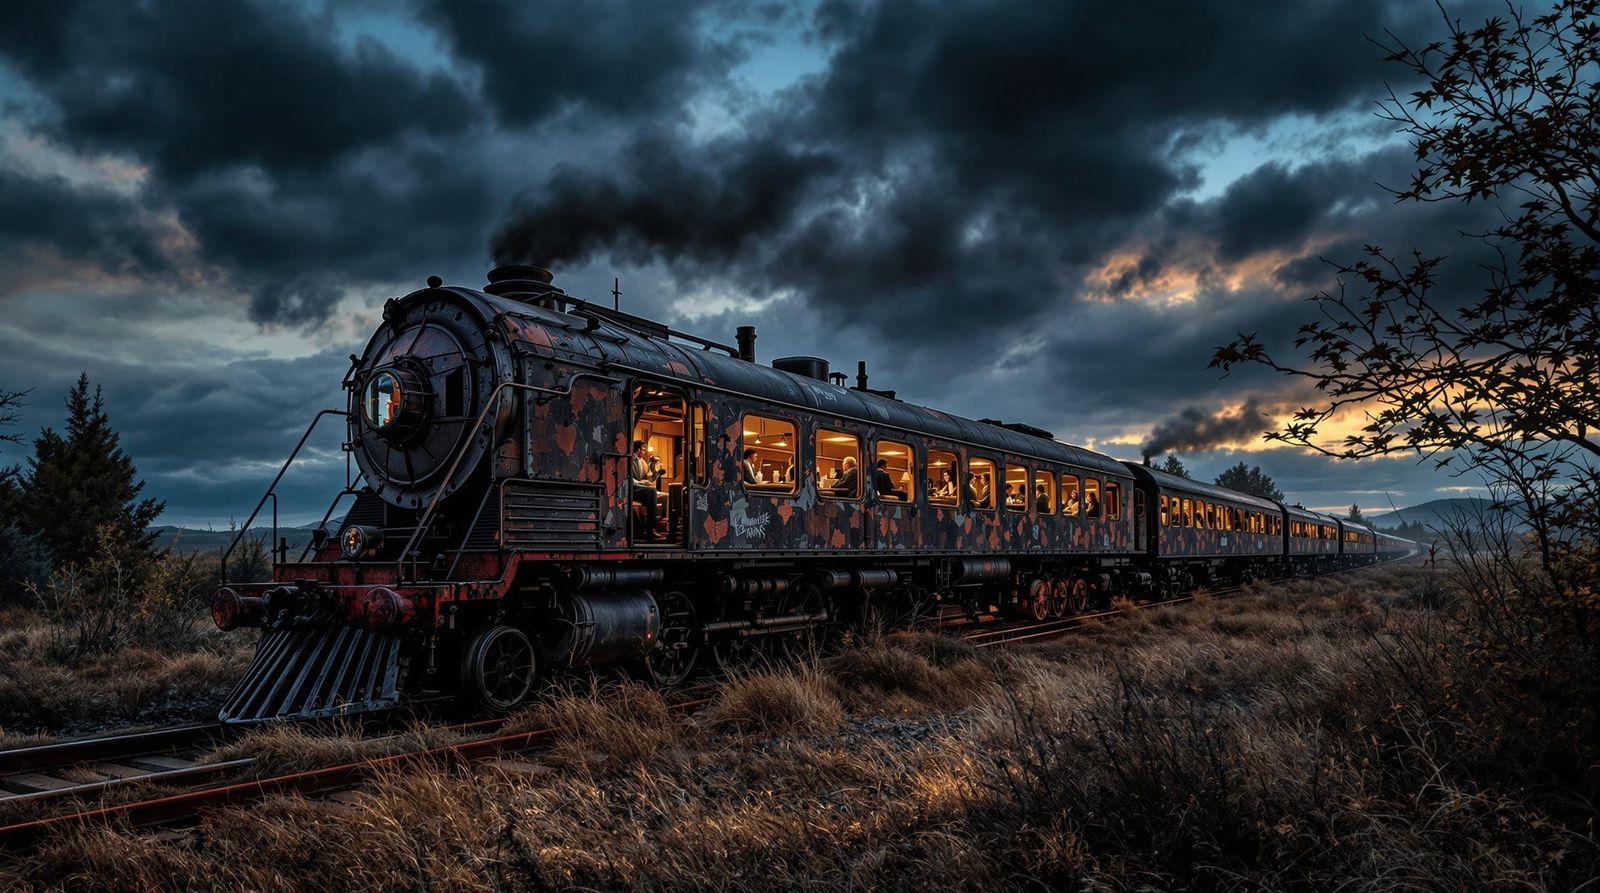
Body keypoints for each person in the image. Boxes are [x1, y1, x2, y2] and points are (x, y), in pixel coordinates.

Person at [631, 440, 660, 539]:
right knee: (652, 491)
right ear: (638, 449)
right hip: (631, 489)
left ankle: (663, 526)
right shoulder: (629, 459)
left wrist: (657, 472)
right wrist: (640, 483)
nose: (645, 452)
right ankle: (650, 529)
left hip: (640, 488)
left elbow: (649, 479)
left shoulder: (643, 463)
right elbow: (627, 477)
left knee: (665, 496)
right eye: (643, 449)